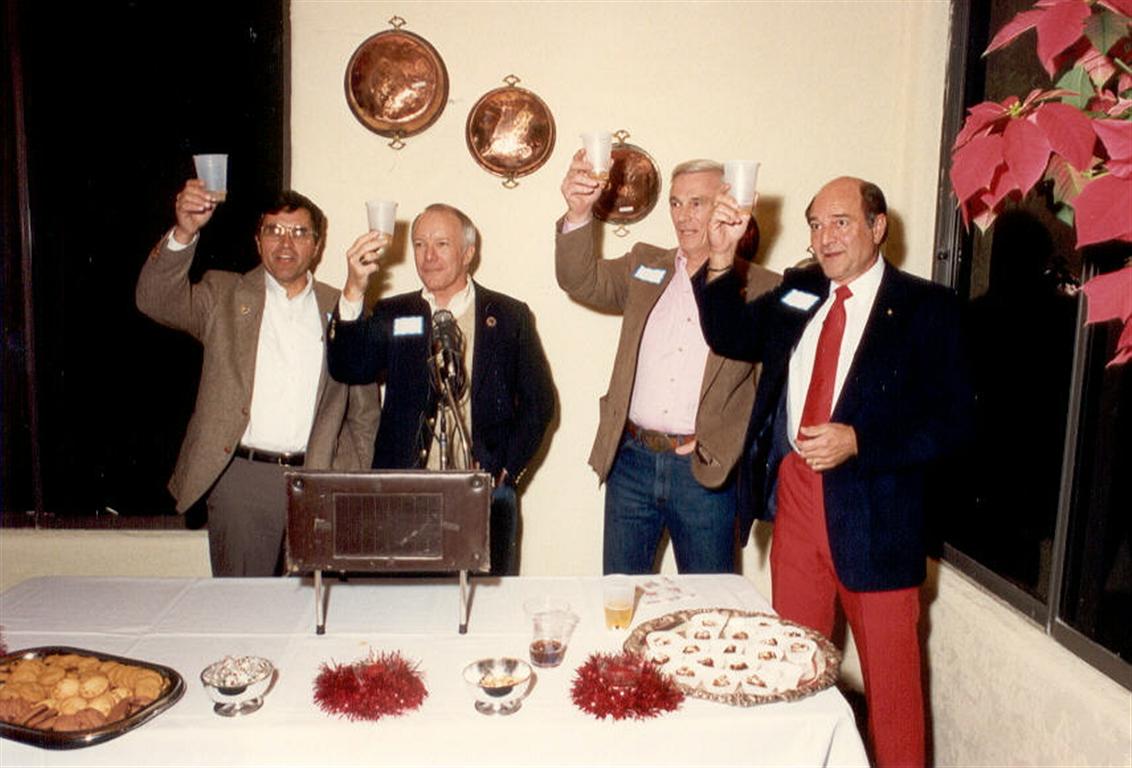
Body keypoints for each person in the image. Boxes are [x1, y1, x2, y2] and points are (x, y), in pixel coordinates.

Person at [694, 176, 974, 767]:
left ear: (878, 226)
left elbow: (955, 424)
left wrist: (860, 441)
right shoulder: (803, 291)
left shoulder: (927, 307)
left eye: (841, 223)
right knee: (792, 674)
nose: (825, 238)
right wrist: (720, 257)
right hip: (797, 504)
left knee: (893, 696)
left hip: (877, 519)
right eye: (816, 225)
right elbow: (730, 335)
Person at [136, 180, 380, 577]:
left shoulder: (344, 307)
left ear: (317, 246)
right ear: (257, 240)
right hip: (242, 481)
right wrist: (184, 232)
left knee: (314, 605)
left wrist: (348, 474)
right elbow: (155, 299)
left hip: (318, 478)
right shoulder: (223, 294)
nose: (285, 243)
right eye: (273, 230)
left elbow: (364, 411)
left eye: (299, 232)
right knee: (243, 606)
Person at [556, 152, 780, 574]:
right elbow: (579, 280)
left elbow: (777, 393)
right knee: (621, 596)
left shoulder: (763, 287)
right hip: (631, 462)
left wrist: (730, 442)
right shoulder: (645, 265)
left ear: (729, 203)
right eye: (676, 203)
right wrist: (579, 213)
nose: (682, 215)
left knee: (708, 602)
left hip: (703, 472)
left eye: (697, 203)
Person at [326, 203, 555, 576]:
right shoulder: (394, 312)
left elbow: (539, 404)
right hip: (403, 495)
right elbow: (348, 366)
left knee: (485, 604)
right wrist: (354, 288)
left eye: (441, 244)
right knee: (404, 603)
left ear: (468, 253)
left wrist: (507, 470)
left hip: (483, 497)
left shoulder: (509, 316)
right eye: (419, 244)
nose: (428, 256)